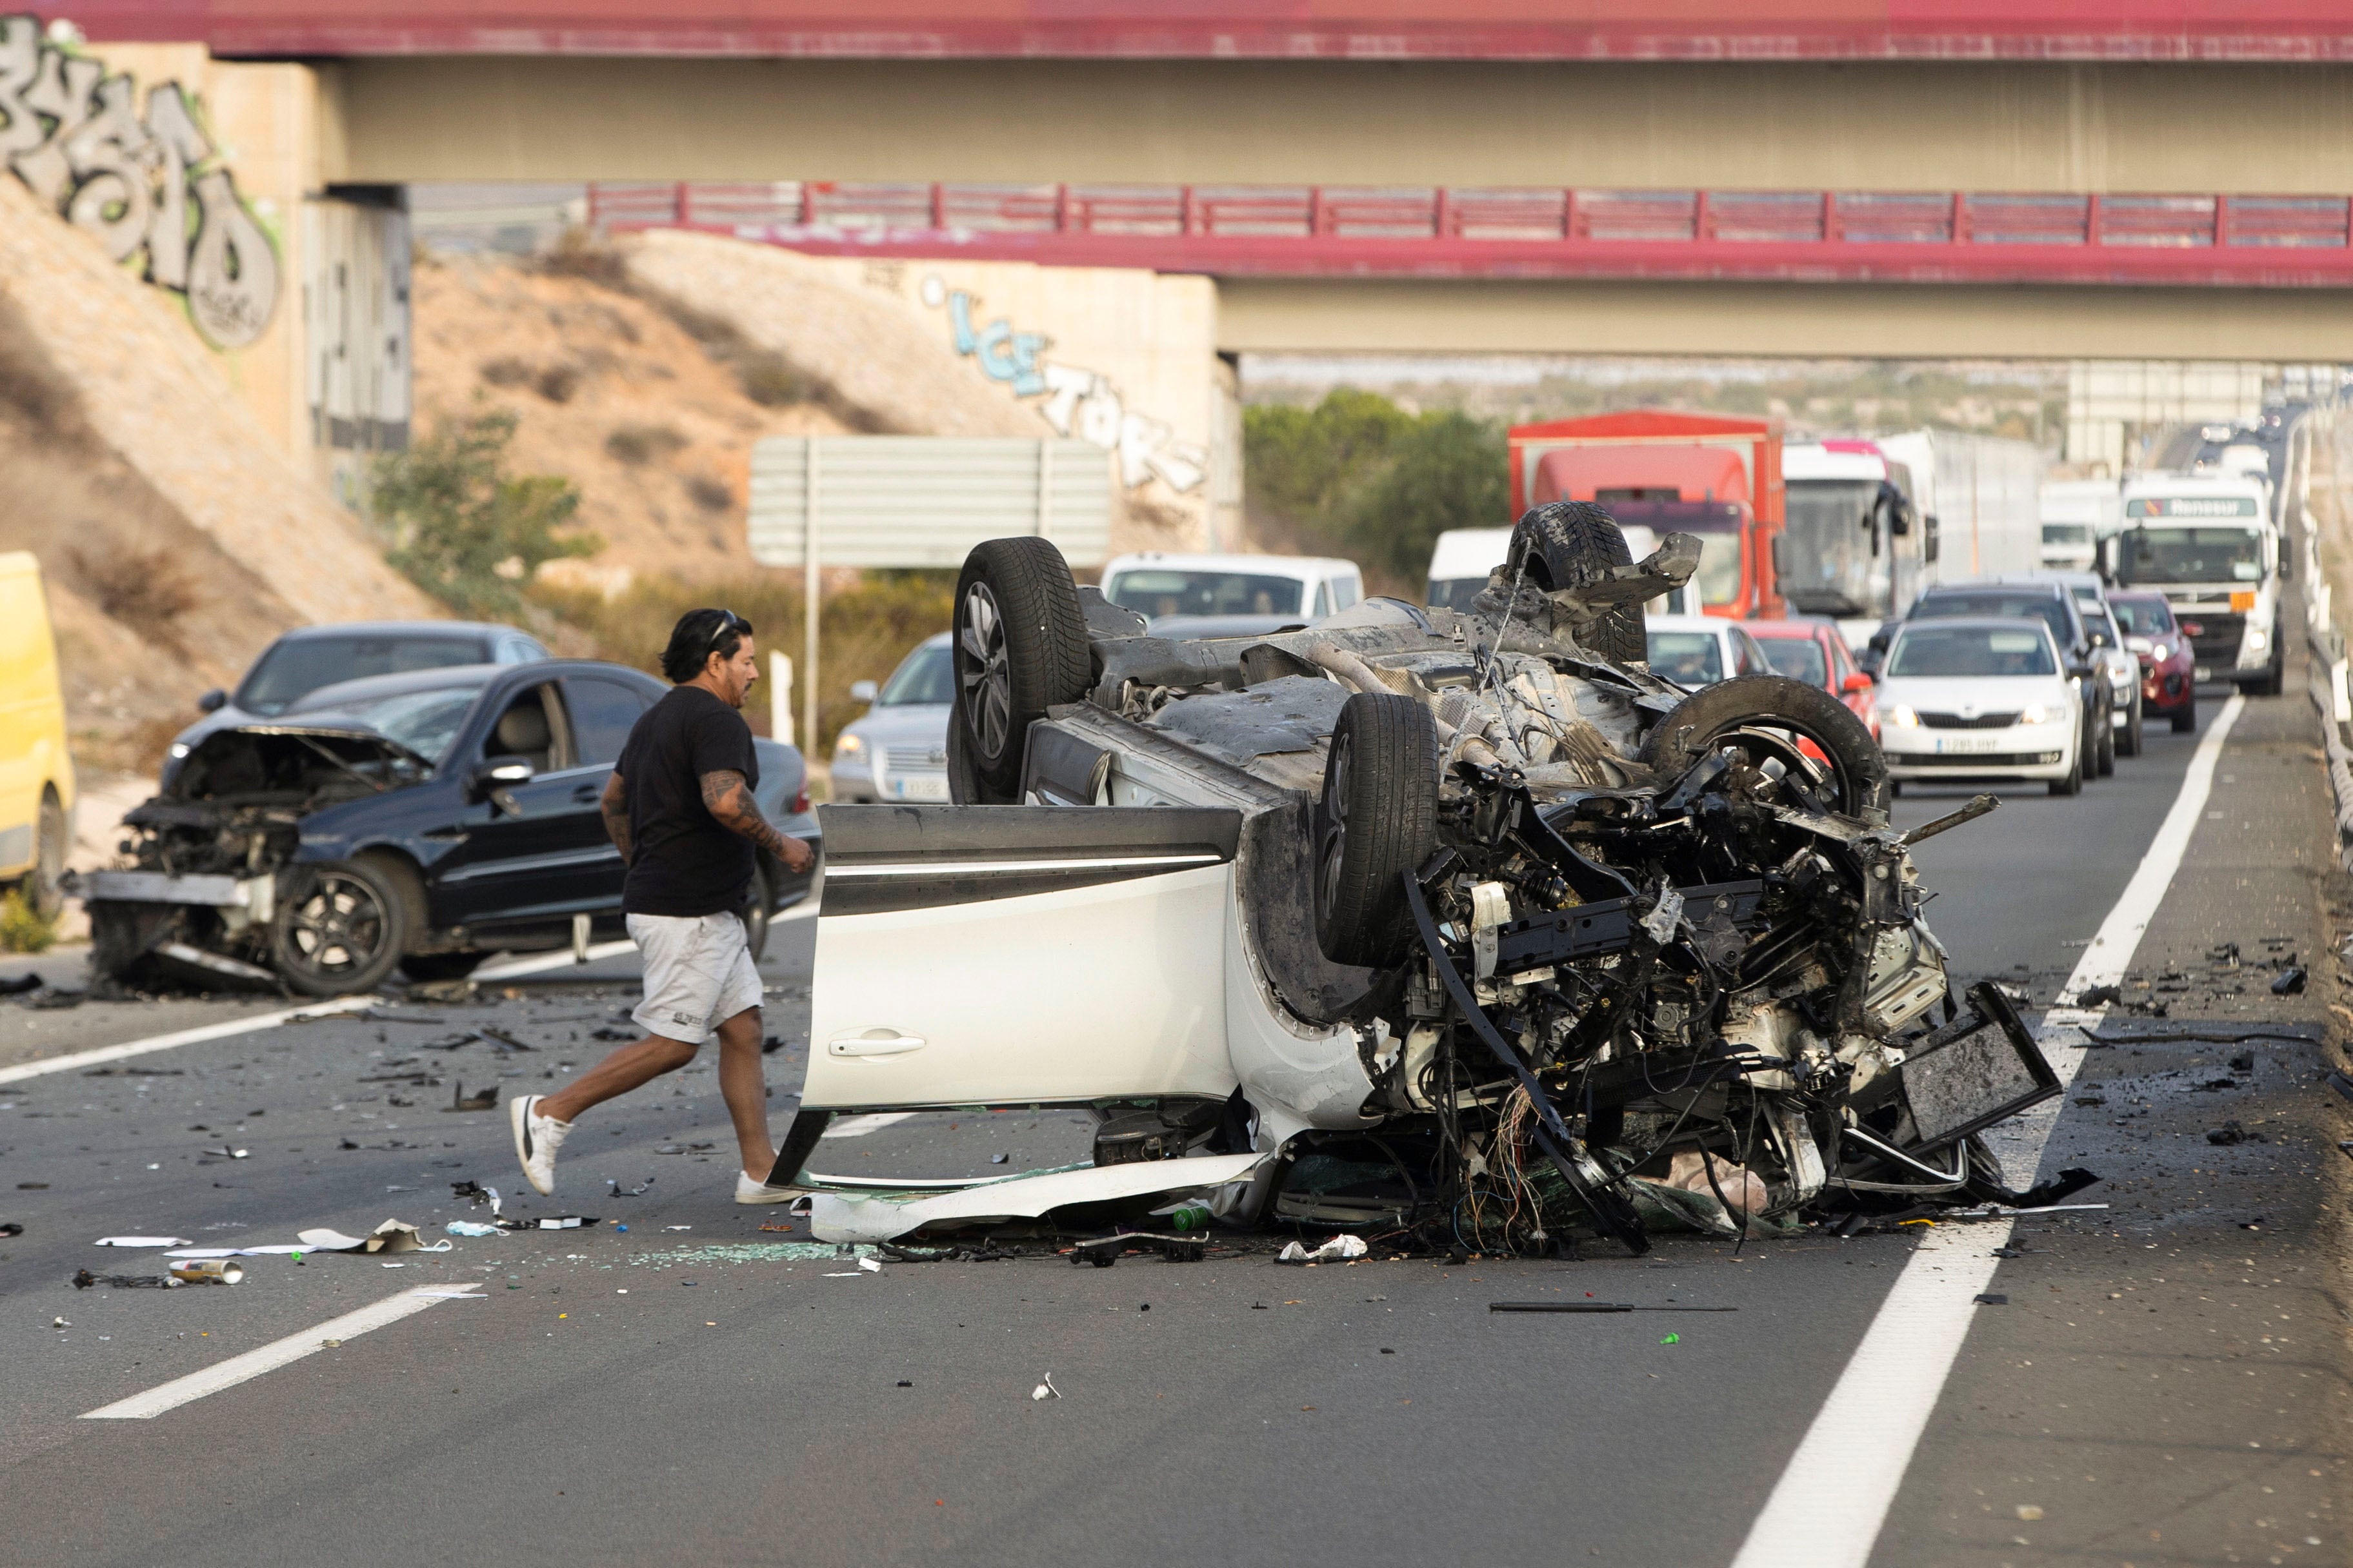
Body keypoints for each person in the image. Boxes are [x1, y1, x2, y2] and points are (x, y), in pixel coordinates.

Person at [509, 608, 816, 1202]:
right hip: (688, 913)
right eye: (747, 661)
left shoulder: (655, 719)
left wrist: (642, 863)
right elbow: (726, 800)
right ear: (715, 662)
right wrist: (783, 844)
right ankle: (549, 1111)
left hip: (691, 907)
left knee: (744, 1029)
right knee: (674, 1043)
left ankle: (760, 1171)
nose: (753, 673)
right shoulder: (716, 719)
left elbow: (612, 800)